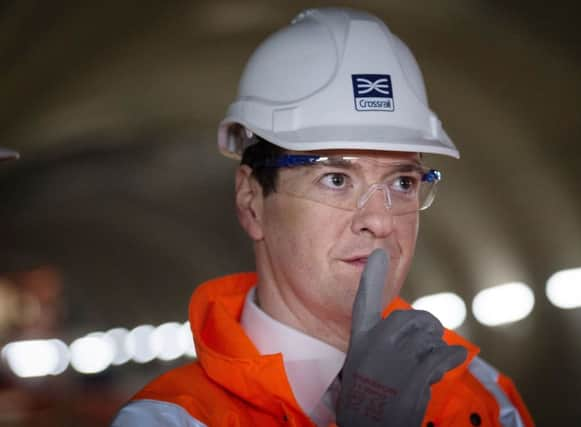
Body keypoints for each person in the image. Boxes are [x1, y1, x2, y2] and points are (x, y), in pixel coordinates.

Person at [112, 7, 534, 427]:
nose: (381, 221)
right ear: (251, 199)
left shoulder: (484, 398)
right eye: (335, 178)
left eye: (403, 183)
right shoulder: (171, 420)